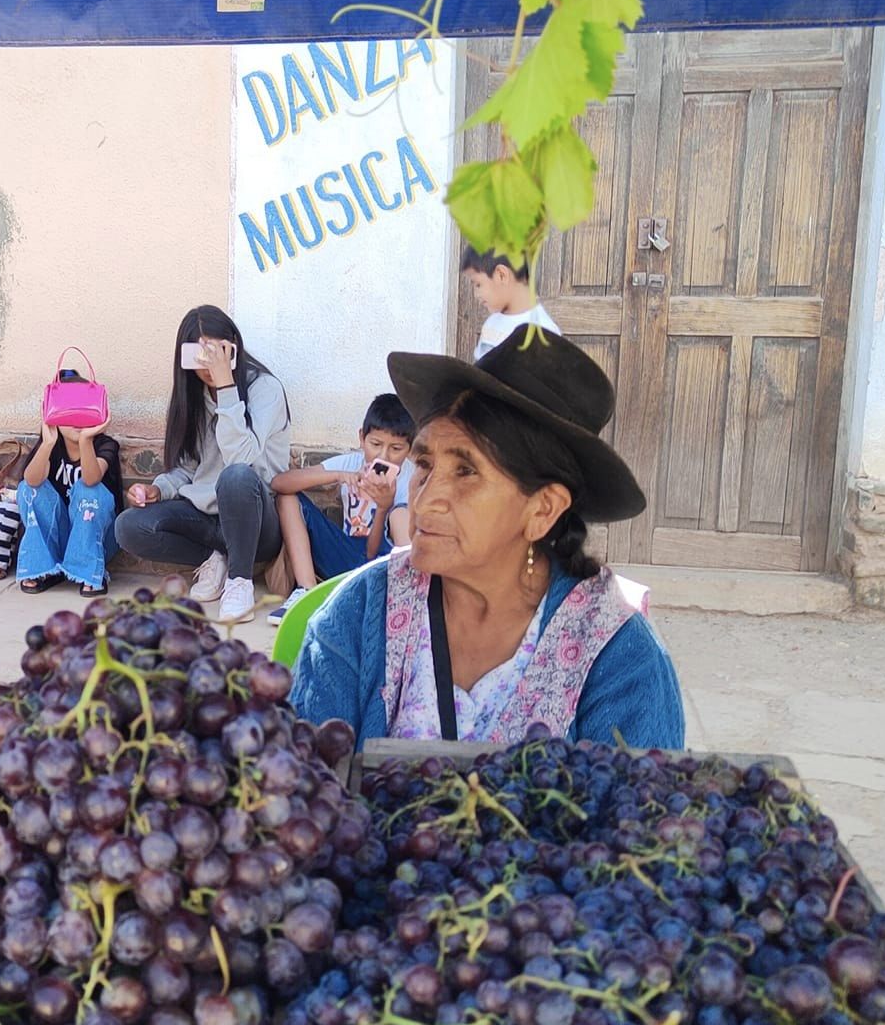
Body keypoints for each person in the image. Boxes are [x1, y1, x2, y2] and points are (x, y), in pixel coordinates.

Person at [290, 328, 684, 749]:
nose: (426, 499)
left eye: (466, 472)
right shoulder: (357, 614)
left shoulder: (623, 661)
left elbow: (639, 806)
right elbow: (303, 791)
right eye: (424, 464)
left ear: (542, 510)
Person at [116, 305, 291, 623]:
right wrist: (159, 489)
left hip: (255, 520)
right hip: (207, 518)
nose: (209, 363)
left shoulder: (264, 389)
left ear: (233, 348)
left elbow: (241, 458)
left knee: (235, 477)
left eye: (217, 351)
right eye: (200, 354)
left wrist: (226, 388)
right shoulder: (193, 396)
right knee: (128, 527)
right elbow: (187, 468)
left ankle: (240, 581)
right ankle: (215, 558)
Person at [268, 393, 417, 623]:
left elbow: (372, 552)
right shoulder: (351, 463)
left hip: (382, 566)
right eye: (375, 444)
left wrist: (384, 507)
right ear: (361, 438)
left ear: (409, 449)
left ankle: (409, 597)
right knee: (287, 498)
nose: (383, 456)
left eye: (396, 448)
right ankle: (306, 592)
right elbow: (279, 483)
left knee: (399, 515)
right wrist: (337, 476)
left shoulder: (411, 480)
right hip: (344, 560)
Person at [17, 408, 124, 598]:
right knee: (28, 489)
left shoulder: (106, 445)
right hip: (61, 535)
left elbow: (91, 479)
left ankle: (89, 571)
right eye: (68, 412)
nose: (76, 420)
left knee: (88, 489)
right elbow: (31, 482)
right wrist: (47, 443)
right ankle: (43, 567)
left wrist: (86, 439)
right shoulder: (53, 446)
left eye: (82, 412)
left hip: (96, 537)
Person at [463, 246, 557, 361]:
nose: (476, 294)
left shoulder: (543, 332)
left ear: (501, 275)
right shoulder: (492, 322)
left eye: (478, 284)